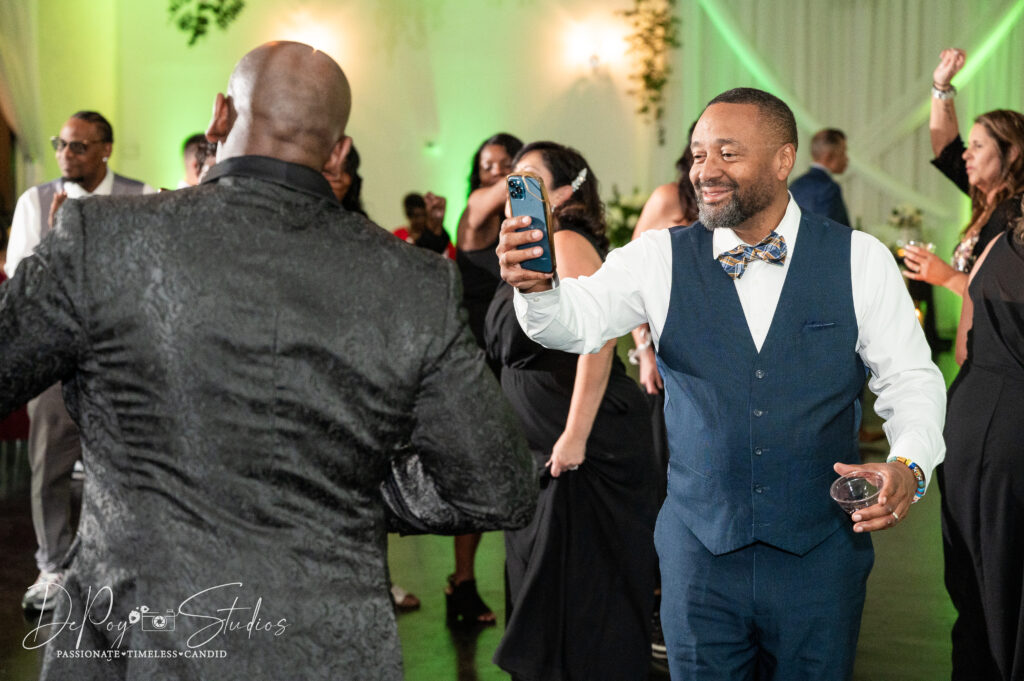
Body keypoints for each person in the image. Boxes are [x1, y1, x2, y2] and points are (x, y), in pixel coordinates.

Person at [0, 41, 535, 680]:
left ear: (221, 115)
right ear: (338, 151)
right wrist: (353, 482)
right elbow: (499, 485)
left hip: (135, 643)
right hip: (326, 649)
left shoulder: (100, 238)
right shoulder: (412, 284)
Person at [497, 87, 947, 681]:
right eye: (697, 154)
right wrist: (534, 287)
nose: (704, 171)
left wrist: (908, 466)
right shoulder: (659, 257)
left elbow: (911, 379)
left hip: (820, 557)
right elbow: (570, 323)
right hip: (698, 559)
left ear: (782, 161)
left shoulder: (859, 260)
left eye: (727, 154)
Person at [485, 142, 659, 680]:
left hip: (582, 445)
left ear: (563, 193)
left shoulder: (565, 239)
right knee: (548, 584)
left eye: (531, 179)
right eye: (515, 179)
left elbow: (599, 342)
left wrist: (574, 436)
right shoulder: (528, 249)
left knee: (581, 593)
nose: (518, 188)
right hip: (538, 443)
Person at [5, 110, 156, 613]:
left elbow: (148, 280)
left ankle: (115, 570)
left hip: (118, 359)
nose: (66, 155)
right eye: (61, 145)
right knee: (49, 463)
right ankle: (51, 567)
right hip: (54, 358)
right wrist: (55, 239)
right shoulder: (35, 201)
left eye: (79, 147)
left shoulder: (144, 198)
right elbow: (26, 285)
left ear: (106, 149)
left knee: (120, 467)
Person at [939, 207, 1024, 678]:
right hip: (1015, 440)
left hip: (966, 427)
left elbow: (964, 346)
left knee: (973, 590)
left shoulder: (997, 245)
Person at [448, 132, 523, 625]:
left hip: (519, 358)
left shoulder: (529, 223)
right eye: (486, 165)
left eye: (503, 165)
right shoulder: (475, 217)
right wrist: (532, 172)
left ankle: (522, 584)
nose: (493, 172)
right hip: (477, 359)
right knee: (478, 475)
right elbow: (487, 200)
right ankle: (463, 582)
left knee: (523, 475)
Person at [904, 48, 1024, 296]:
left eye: (978, 147)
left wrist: (948, 277)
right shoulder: (988, 197)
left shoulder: (1016, 213)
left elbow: (1005, 296)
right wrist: (941, 85)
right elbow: (947, 150)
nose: (966, 154)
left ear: (1012, 152)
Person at [788, 128, 851, 226]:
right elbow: (838, 233)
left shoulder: (795, 185)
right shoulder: (829, 188)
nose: (847, 159)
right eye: (843, 152)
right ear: (829, 156)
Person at [394, 192, 454, 259]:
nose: (421, 220)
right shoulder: (397, 236)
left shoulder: (440, 239)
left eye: (424, 215)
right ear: (408, 216)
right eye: (417, 216)